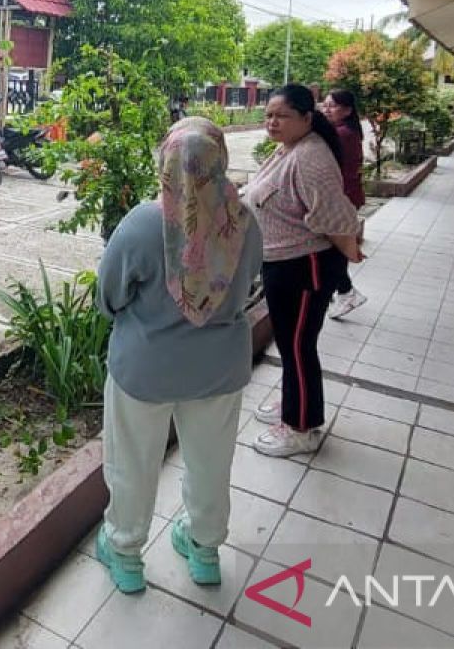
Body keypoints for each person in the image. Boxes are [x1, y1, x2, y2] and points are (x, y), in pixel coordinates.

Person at [94, 118, 261, 594]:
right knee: (211, 462)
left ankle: (125, 554)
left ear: (166, 161)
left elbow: (109, 295)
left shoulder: (145, 222)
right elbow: (247, 285)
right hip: (219, 369)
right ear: (220, 159)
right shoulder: (245, 221)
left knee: (132, 462)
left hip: (146, 369)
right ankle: (204, 550)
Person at [245, 85, 362, 457]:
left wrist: (348, 251)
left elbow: (335, 216)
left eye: (281, 116)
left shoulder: (310, 157)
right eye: (268, 115)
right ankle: (291, 402)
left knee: (298, 346)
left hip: (305, 266)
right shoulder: (290, 148)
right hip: (284, 263)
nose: (272, 122)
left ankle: (302, 427)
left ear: (307, 119)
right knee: (290, 343)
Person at [320, 89, 368, 319]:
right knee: (332, 248)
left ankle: (346, 292)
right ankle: (340, 291)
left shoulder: (342, 133)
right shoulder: (347, 131)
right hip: (346, 195)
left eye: (332, 105)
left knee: (332, 250)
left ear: (347, 110)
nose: (326, 108)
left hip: (343, 197)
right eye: (325, 104)